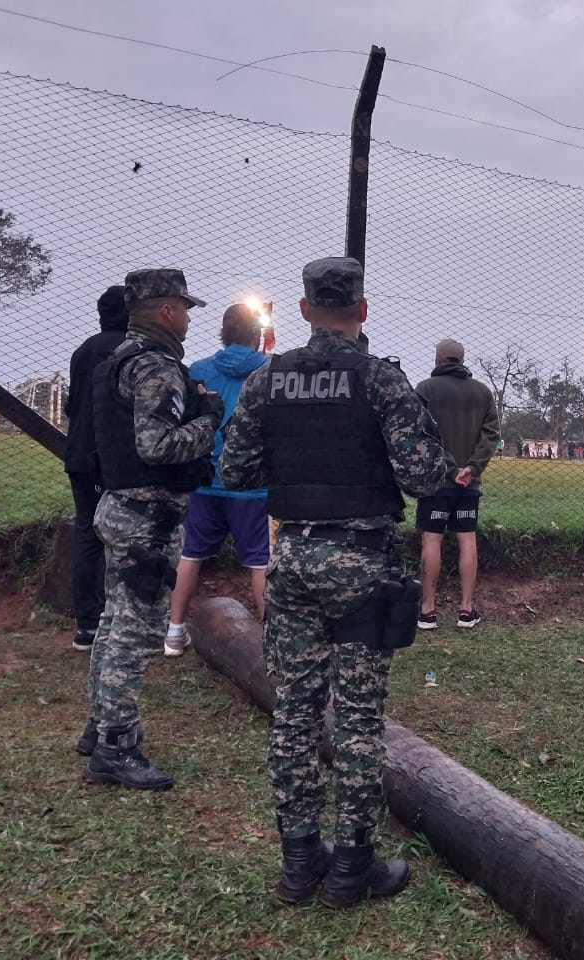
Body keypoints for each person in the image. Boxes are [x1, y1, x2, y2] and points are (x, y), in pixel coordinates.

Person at [220, 257, 446, 909]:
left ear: (302, 309)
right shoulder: (381, 380)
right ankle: (352, 868)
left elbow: (234, 472)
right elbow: (424, 474)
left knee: (292, 715)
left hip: (290, 558)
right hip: (363, 562)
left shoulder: (269, 380)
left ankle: (298, 865)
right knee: (357, 720)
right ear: (362, 309)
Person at [78, 269, 223, 789]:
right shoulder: (157, 369)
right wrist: (209, 419)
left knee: (115, 623)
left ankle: (101, 726)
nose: (187, 319)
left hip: (120, 508)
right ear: (166, 311)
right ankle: (117, 746)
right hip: (147, 522)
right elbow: (158, 448)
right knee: (135, 635)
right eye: (184, 309)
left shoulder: (115, 360)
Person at [164, 304, 271, 656]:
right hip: (253, 485)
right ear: (257, 335)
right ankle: (273, 640)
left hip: (206, 479)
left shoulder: (199, 370)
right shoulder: (272, 371)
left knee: (191, 554)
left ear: (223, 333)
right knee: (260, 562)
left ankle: (174, 634)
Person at [414, 338, 500, 627]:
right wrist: (471, 470)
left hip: (436, 482)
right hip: (469, 486)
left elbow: (424, 435)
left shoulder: (425, 389)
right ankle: (466, 610)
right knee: (467, 539)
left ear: (438, 360)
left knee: (432, 539)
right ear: (461, 361)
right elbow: (491, 436)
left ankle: (427, 610)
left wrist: (450, 469)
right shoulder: (482, 393)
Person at [63, 286, 129, 652]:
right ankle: (114, 619)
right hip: (111, 458)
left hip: (78, 456)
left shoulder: (82, 350)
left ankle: (87, 624)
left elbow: (73, 405)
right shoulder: (130, 351)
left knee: (87, 534)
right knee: (120, 536)